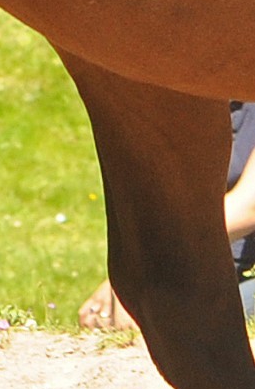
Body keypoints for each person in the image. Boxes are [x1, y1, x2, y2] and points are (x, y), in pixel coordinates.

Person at [79, 100, 255, 332]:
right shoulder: (194, 105)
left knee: (177, 324)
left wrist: (142, 269)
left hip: (227, 270)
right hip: (205, 270)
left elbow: (247, 208)